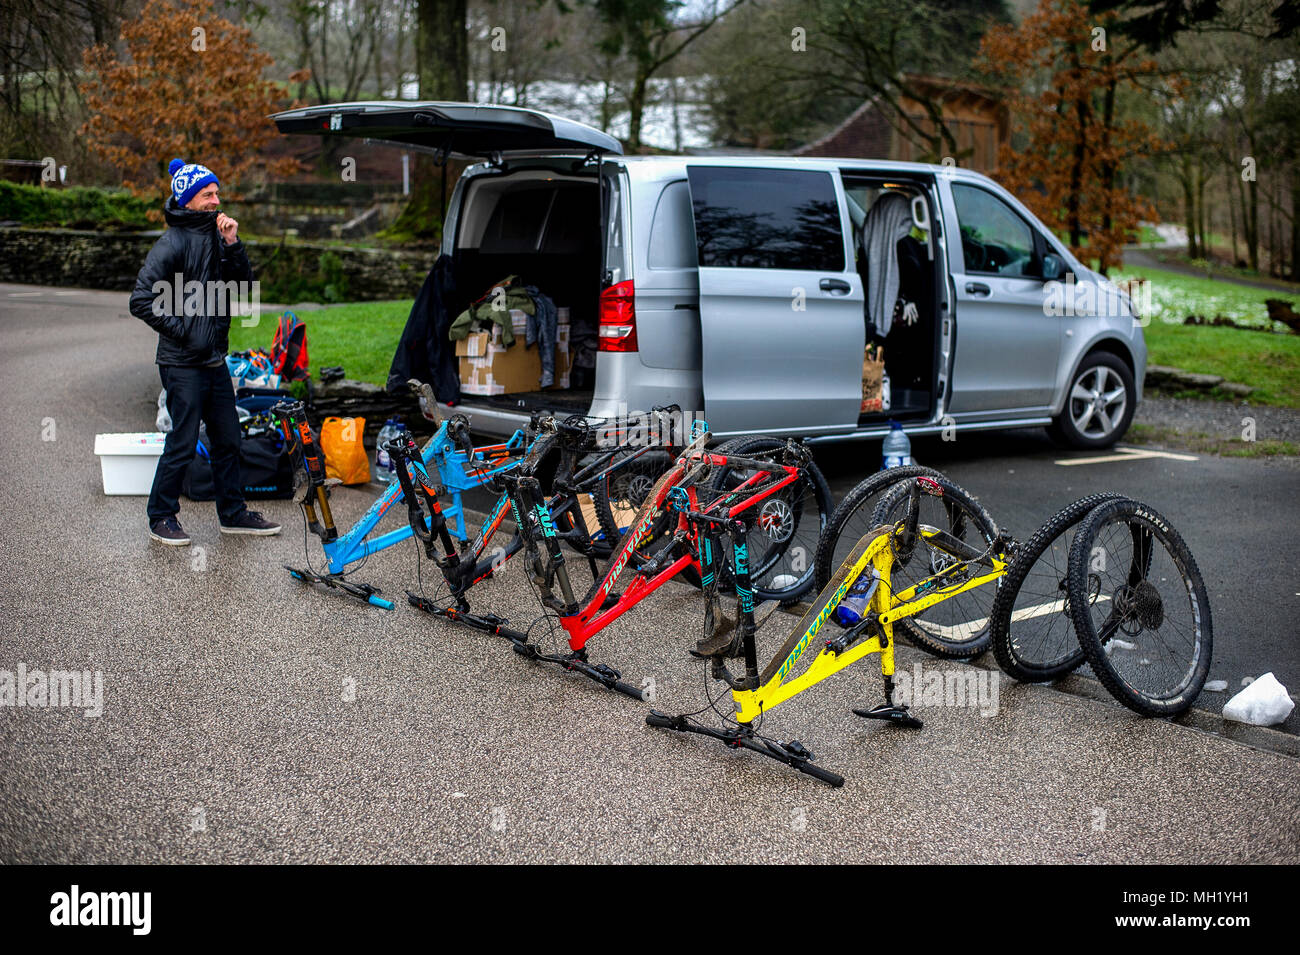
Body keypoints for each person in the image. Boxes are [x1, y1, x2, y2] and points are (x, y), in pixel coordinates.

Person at [128, 158, 281, 545]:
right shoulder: (172, 243)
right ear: (190, 199)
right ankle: (161, 516)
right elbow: (141, 299)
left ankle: (232, 513)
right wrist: (185, 333)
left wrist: (232, 243)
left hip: (213, 360)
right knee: (181, 441)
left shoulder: (217, 235)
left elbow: (242, 285)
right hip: (181, 362)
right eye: (208, 194)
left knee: (229, 438)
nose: (217, 200)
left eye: (217, 193)